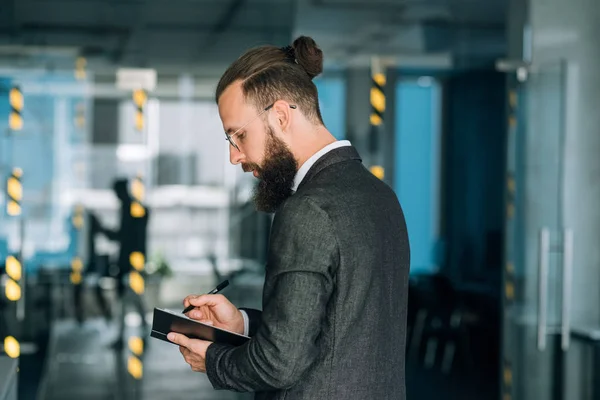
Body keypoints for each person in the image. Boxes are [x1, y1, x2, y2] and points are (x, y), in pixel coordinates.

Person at [167, 36, 410, 399]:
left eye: (239, 136)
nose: (235, 156)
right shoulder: (381, 196)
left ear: (280, 116)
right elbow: (338, 329)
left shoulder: (307, 210)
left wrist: (215, 359)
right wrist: (242, 324)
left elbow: (278, 364)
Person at [96, 178, 150, 348]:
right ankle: (142, 333)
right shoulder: (135, 207)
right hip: (134, 261)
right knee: (133, 298)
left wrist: (102, 229)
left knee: (125, 298)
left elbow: (123, 236)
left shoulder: (130, 209)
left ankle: (125, 336)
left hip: (129, 262)